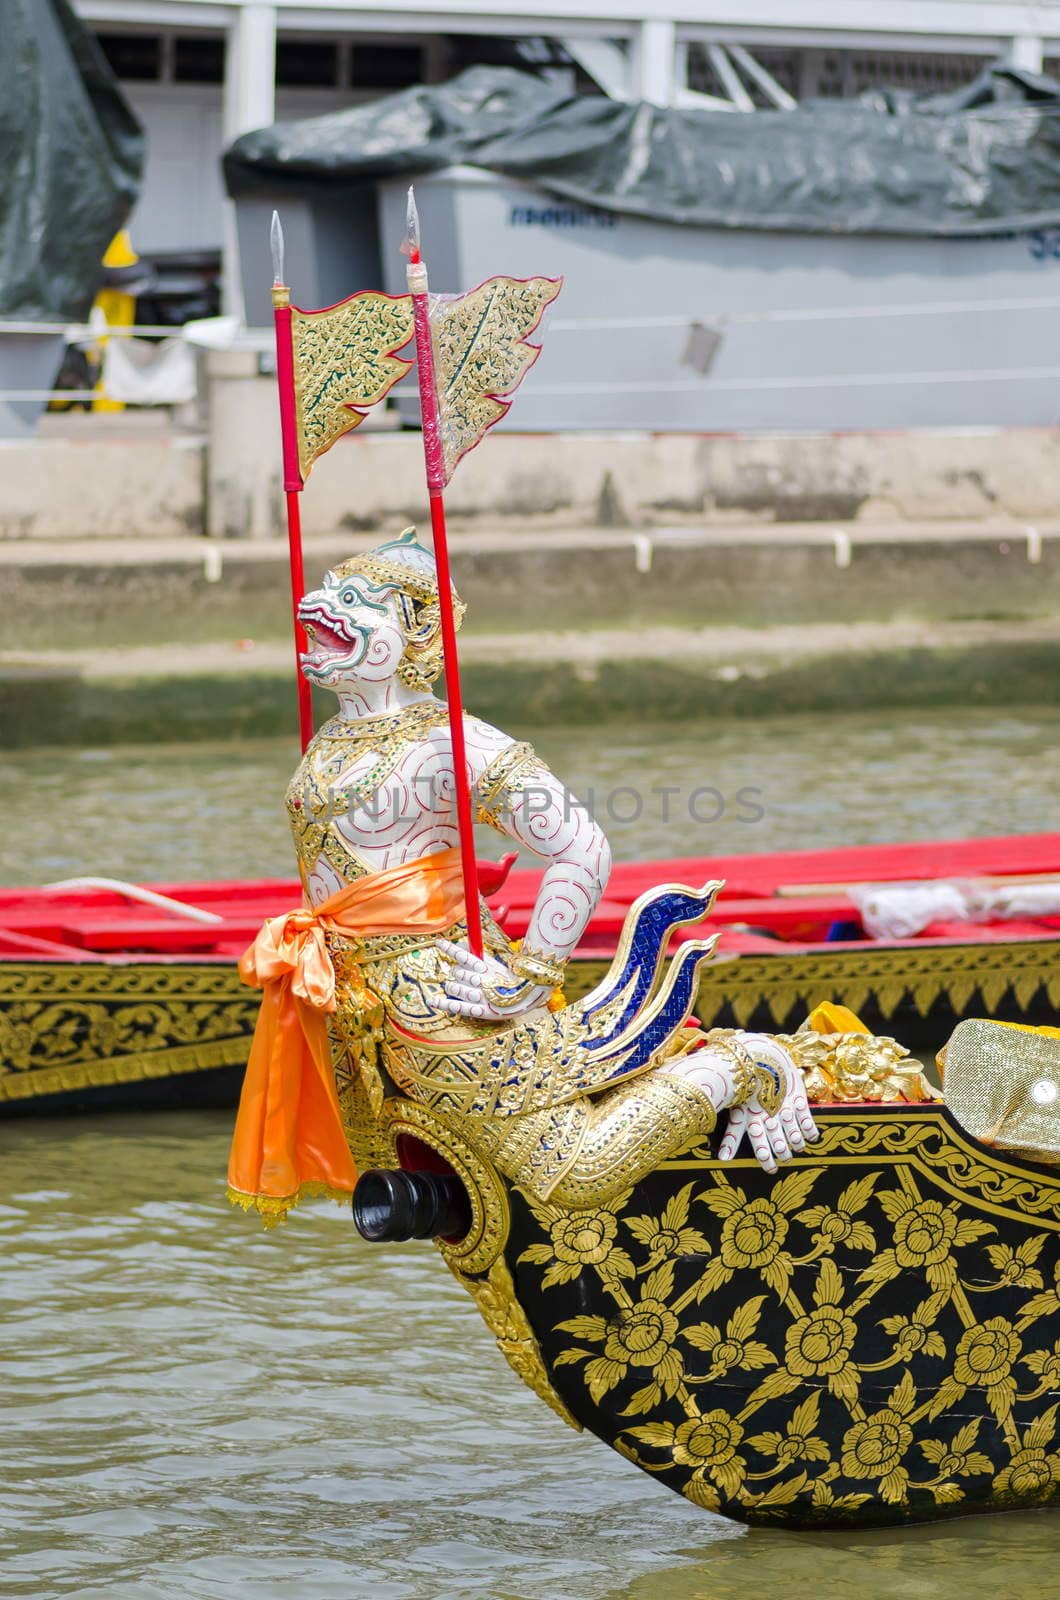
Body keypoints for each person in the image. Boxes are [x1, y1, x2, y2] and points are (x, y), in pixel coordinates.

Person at [228, 531, 818, 1224]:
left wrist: (526, 979)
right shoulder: (331, 739)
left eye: (355, 601)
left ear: (416, 632)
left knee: (572, 1176)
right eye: (328, 589)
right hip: (358, 1006)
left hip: (440, 998)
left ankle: (745, 1065)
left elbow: (582, 848)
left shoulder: (452, 741)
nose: (320, 605)